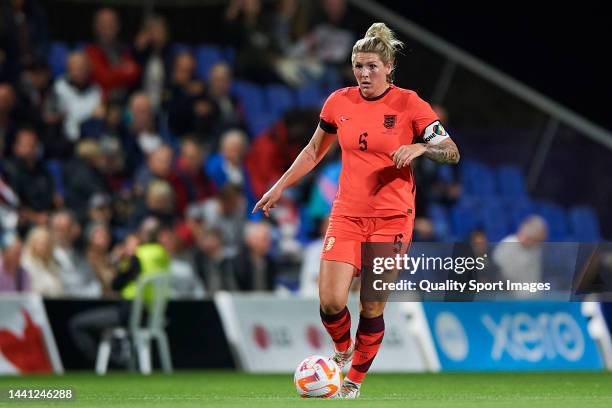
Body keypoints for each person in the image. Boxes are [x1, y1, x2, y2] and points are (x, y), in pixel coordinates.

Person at [253, 22, 460, 398]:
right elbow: (315, 151)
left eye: (372, 67)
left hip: (392, 219)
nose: (364, 74)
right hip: (347, 213)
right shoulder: (338, 102)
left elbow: (451, 150)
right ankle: (343, 350)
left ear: (389, 67)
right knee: (330, 300)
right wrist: (279, 185)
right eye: (358, 66)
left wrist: (421, 148)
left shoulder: (409, 103)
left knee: (371, 304)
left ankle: (354, 382)